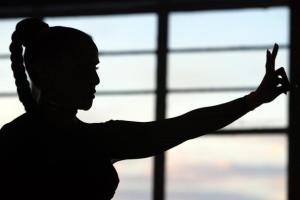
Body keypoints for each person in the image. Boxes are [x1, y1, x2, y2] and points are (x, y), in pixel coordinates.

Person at [0, 18, 290, 200]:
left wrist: (255, 99)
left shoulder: (21, 139)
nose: (96, 79)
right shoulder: (18, 144)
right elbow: (185, 126)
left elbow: (186, 125)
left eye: (95, 68)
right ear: (47, 73)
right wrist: (254, 100)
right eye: (84, 69)